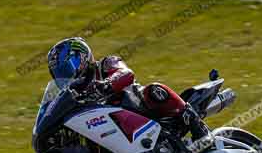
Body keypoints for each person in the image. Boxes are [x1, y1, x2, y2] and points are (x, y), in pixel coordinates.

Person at [47, 37, 212, 143]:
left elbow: (126, 73)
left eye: (68, 68)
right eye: (60, 73)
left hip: (139, 109)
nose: (66, 75)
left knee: (154, 90)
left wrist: (106, 84)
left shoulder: (106, 64)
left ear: (82, 57)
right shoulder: (76, 92)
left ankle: (197, 125)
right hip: (115, 129)